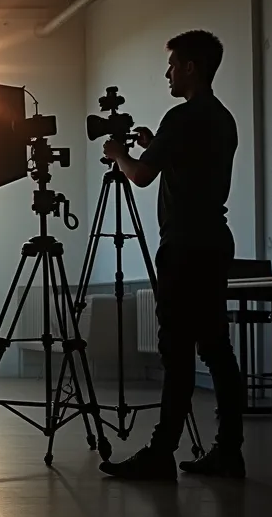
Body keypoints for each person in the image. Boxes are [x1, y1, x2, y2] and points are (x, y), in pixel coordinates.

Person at [99, 30, 244, 480]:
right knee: (216, 348)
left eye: (173, 65)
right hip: (215, 241)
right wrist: (150, 142)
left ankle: (161, 453)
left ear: (190, 68)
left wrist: (119, 153)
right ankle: (229, 450)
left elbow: (141, 177)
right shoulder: (222, 118)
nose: (167, 73)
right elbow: (188, 163)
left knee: (176, 350)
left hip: (183, 246)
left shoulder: (180, 118)